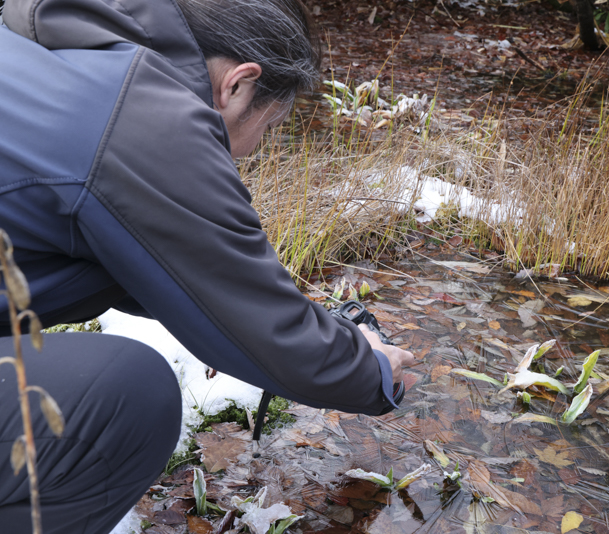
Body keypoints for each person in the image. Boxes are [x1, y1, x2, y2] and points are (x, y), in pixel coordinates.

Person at [0, 0, 415, 532]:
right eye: (271, 124)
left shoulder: (58, 47)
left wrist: (311, 325)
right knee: (128, 396)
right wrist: (372, 369)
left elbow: (184, 276)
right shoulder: (145, 116)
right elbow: (261, 332)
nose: (254, 150)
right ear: (239, 84)